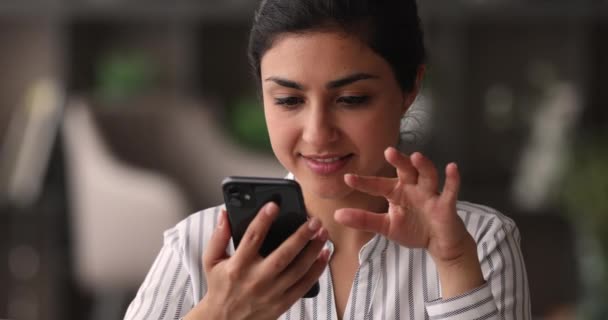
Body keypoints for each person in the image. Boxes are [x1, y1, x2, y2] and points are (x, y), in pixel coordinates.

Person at [124, 0, 531, 319]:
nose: (318, 133)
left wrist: (454, 262)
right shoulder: (194, 247)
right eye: (288, 100)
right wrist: (219, 313)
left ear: (410, 89)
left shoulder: (478, 242)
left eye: (352, 99)